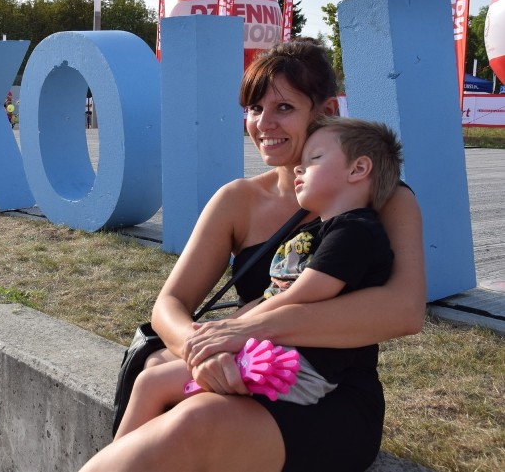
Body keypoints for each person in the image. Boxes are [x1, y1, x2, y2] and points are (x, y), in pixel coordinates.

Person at [79, 39, 426, 472]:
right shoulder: (238, 200)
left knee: (196, 420)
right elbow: (169, 304)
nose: (264, 123)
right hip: (244, 371)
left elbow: (404, 311)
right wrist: (201, 351)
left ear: (327, 110)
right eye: (254, 108)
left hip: (331, 396)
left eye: (283, 108)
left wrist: (244, 329)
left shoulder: (382, 197)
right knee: (176, 402)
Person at [113, 116, 403, 439]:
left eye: (314, 159)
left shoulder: (355, 231)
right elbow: (276, 295)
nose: (299, 169)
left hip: (293, 368)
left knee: (152, 385)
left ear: (358, 169)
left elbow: (298, 296)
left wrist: (230, 330)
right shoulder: (329, 230)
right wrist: (220, 332)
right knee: (156, 370)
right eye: (253, 107)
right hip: (278, 353)